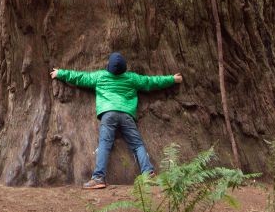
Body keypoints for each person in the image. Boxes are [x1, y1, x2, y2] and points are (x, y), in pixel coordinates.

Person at [50, 52, 183, 189]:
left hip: (108, 114)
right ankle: (148, 173)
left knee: (104, 145)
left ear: (108, 66)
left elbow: (80, 77)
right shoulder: (132, 78)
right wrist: (172, 79)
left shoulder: (100, 76)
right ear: (125, 67)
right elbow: (151, 82)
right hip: (126, 115)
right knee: (137, 145)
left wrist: (60, 73)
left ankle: (98, 178)